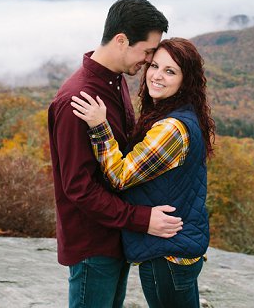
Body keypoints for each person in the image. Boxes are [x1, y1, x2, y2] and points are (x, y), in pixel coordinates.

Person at [48, 0, 184, 308]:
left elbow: (122, 156)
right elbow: (78, 189)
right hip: (92, 244)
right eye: (147, 51)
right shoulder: (76, 100)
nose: (149, 61)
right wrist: (141, 219)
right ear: (121, 40)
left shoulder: (116, 81)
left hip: (116, 236)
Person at [71, 37, 215, 308]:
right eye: (154, 66)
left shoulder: (171, 128)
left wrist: (100, 127)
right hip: (179, 251)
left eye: (170, 71)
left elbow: (120, 176)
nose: (156, 76)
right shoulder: (179, 114)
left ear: (187, 80)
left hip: (167, 257)